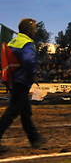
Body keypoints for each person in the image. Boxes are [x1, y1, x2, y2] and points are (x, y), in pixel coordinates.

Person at [0, 18, 47, 152]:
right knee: (12, 112)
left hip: (13, 80)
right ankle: (34, 139)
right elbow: (28, 59)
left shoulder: (13, 41)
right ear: (29, 30)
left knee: (25, 112)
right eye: (34, 28)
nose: (35, 31)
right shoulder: (27, 43)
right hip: (22, 80)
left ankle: (35, 139)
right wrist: (32, 74)